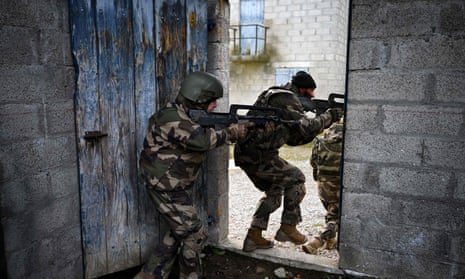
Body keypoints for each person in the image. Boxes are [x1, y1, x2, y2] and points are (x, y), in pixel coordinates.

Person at [135, 71, 249, 279]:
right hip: (164, 185)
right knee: (195, 234)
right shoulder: (173, 118)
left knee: (179, 232)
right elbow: (201, 141)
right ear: (198, 98)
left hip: (170, 183)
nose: (215, 105)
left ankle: (150, 274)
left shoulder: (183, 114)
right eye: (212, 101)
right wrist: (233, 132)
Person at [234, 71, 343, 252]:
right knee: (297, 178)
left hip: (252, 153)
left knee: (274, 191)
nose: (313, 96)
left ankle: (254, 236)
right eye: (310, 92)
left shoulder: (278, 95)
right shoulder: (285, 98)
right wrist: (328, 117)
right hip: (258, 155)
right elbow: (306, 126)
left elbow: (294, 138)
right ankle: (288, 228)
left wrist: (320, 123)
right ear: (302, 89)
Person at [302, 118, 343, 255]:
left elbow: (313, 163)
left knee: (331, 211)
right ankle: (317, 241)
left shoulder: (320, 141)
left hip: (323, 186)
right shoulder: (350, 143)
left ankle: (331, 240)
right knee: (335, 218)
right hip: (339, 186)